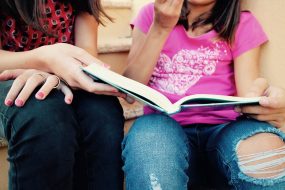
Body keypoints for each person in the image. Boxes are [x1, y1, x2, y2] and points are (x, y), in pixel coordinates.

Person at [122, 0, 285, 189]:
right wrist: (160, 27)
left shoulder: (242, 22)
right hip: (161, 125)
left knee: (265, 149)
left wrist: (265, 99)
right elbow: (130, 91)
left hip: (225, 129)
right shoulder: (151, 14)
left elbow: (248, 95)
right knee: (149, 143)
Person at [0, 0, 125, 189]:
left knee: (103, 112)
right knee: (42, 116)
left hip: (62, 76)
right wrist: (45, 60)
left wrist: (59, 73)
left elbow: (86, 52)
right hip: (7, 74)